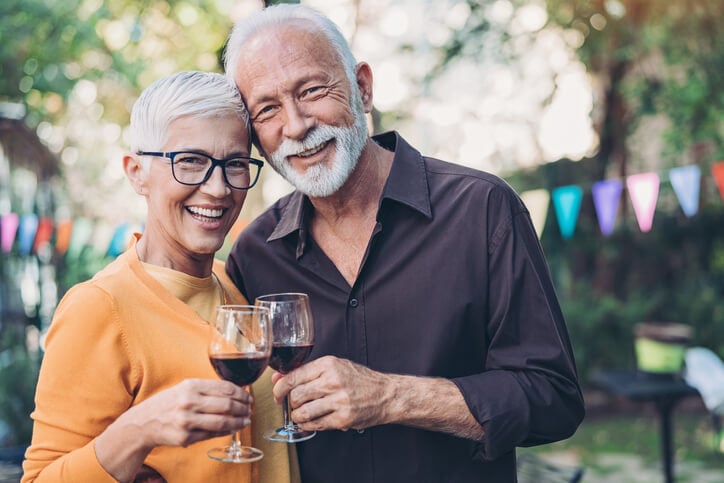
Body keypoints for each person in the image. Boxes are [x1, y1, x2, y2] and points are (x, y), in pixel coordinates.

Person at [223, 4, 585, 483]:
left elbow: (553, 399)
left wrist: (391, 397)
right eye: (267, 109)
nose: (295, 125)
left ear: (363, 88)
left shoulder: (482, 210)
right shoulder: (254, 253)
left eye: (311, 90)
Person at [22, 71, 298, 483]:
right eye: (191, 161)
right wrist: (139, 430)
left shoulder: (237, 285)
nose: (218, 188)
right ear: (137, 172)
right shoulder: (98, 307)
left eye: (236, 164)